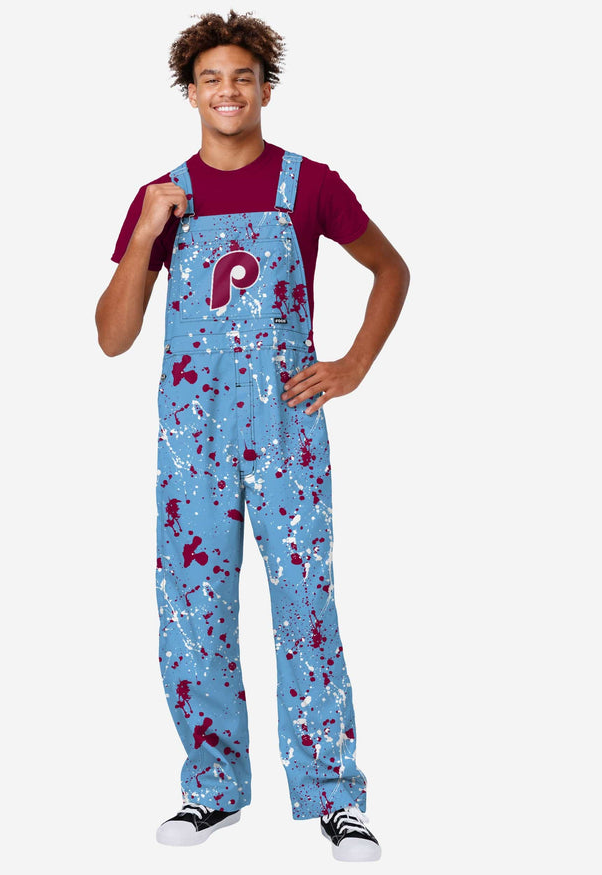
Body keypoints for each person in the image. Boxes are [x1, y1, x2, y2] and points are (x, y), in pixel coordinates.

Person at [95, 9, 409, 863]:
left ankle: (336, 795)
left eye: (242, 77)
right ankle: (212, 785)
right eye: (211, 79)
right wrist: (147, 234)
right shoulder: (160, 195)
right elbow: (113, 336)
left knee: (305, 605)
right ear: (190, 92)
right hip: (191, 439)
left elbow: (391, 268)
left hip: (286, 432)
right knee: (193, 608)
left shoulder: (310, 184)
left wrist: (353, 364)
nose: (227, 91)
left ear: (265, 89)